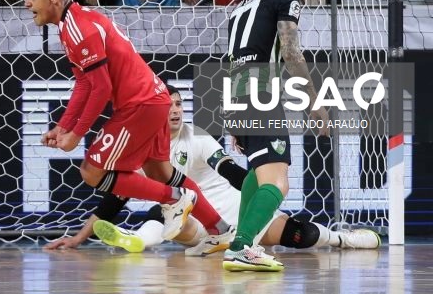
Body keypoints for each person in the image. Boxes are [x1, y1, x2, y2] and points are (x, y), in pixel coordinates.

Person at [25, 0, 232, 247]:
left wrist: (75, 135)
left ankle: (175, 199)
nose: (27, 3)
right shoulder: (73, 23)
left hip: (140, 104)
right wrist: (63, 126)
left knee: (91, 171)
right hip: (154, 99)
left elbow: (101, 89)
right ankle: (220, 230)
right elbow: (84, 84)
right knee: (162, 174)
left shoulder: (79, 28)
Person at [93, 86, 382, 255]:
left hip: (233, 208)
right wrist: (78, 237)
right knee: (172, 209)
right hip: (198, 219)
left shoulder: (197, 135)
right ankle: (137, 240)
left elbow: (232, 172)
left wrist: (262, 198)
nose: (176, 110)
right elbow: (116, 197)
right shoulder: (142, 147)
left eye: (179, 104)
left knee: (299, 234)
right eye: (168, 106)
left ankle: (342, 239)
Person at [220, 0, 330, 272]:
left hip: (237, 90)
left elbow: (231, 57)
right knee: (278, 182)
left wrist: (231, 114)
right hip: (261, 91)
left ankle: (243, 241)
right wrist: (314, 103)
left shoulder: (241, 5)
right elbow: (291, 52)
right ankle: (241, 247)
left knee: (257, 173)